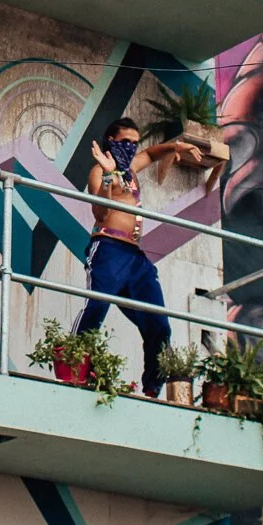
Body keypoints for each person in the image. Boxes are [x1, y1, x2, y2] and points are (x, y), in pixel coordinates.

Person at [75, 117, 204, 397]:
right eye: (125, 142)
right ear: (111, 141)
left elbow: (151, 152)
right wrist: (109, 175)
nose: (131, 148)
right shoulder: (99, 171)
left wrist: (176, 146)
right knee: (96, 307)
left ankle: (152, 388)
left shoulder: (131, 169)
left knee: (159, 323)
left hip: (135, 256)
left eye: (134, 143)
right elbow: (99, 212)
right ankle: (74, 369)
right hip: (108, 248)